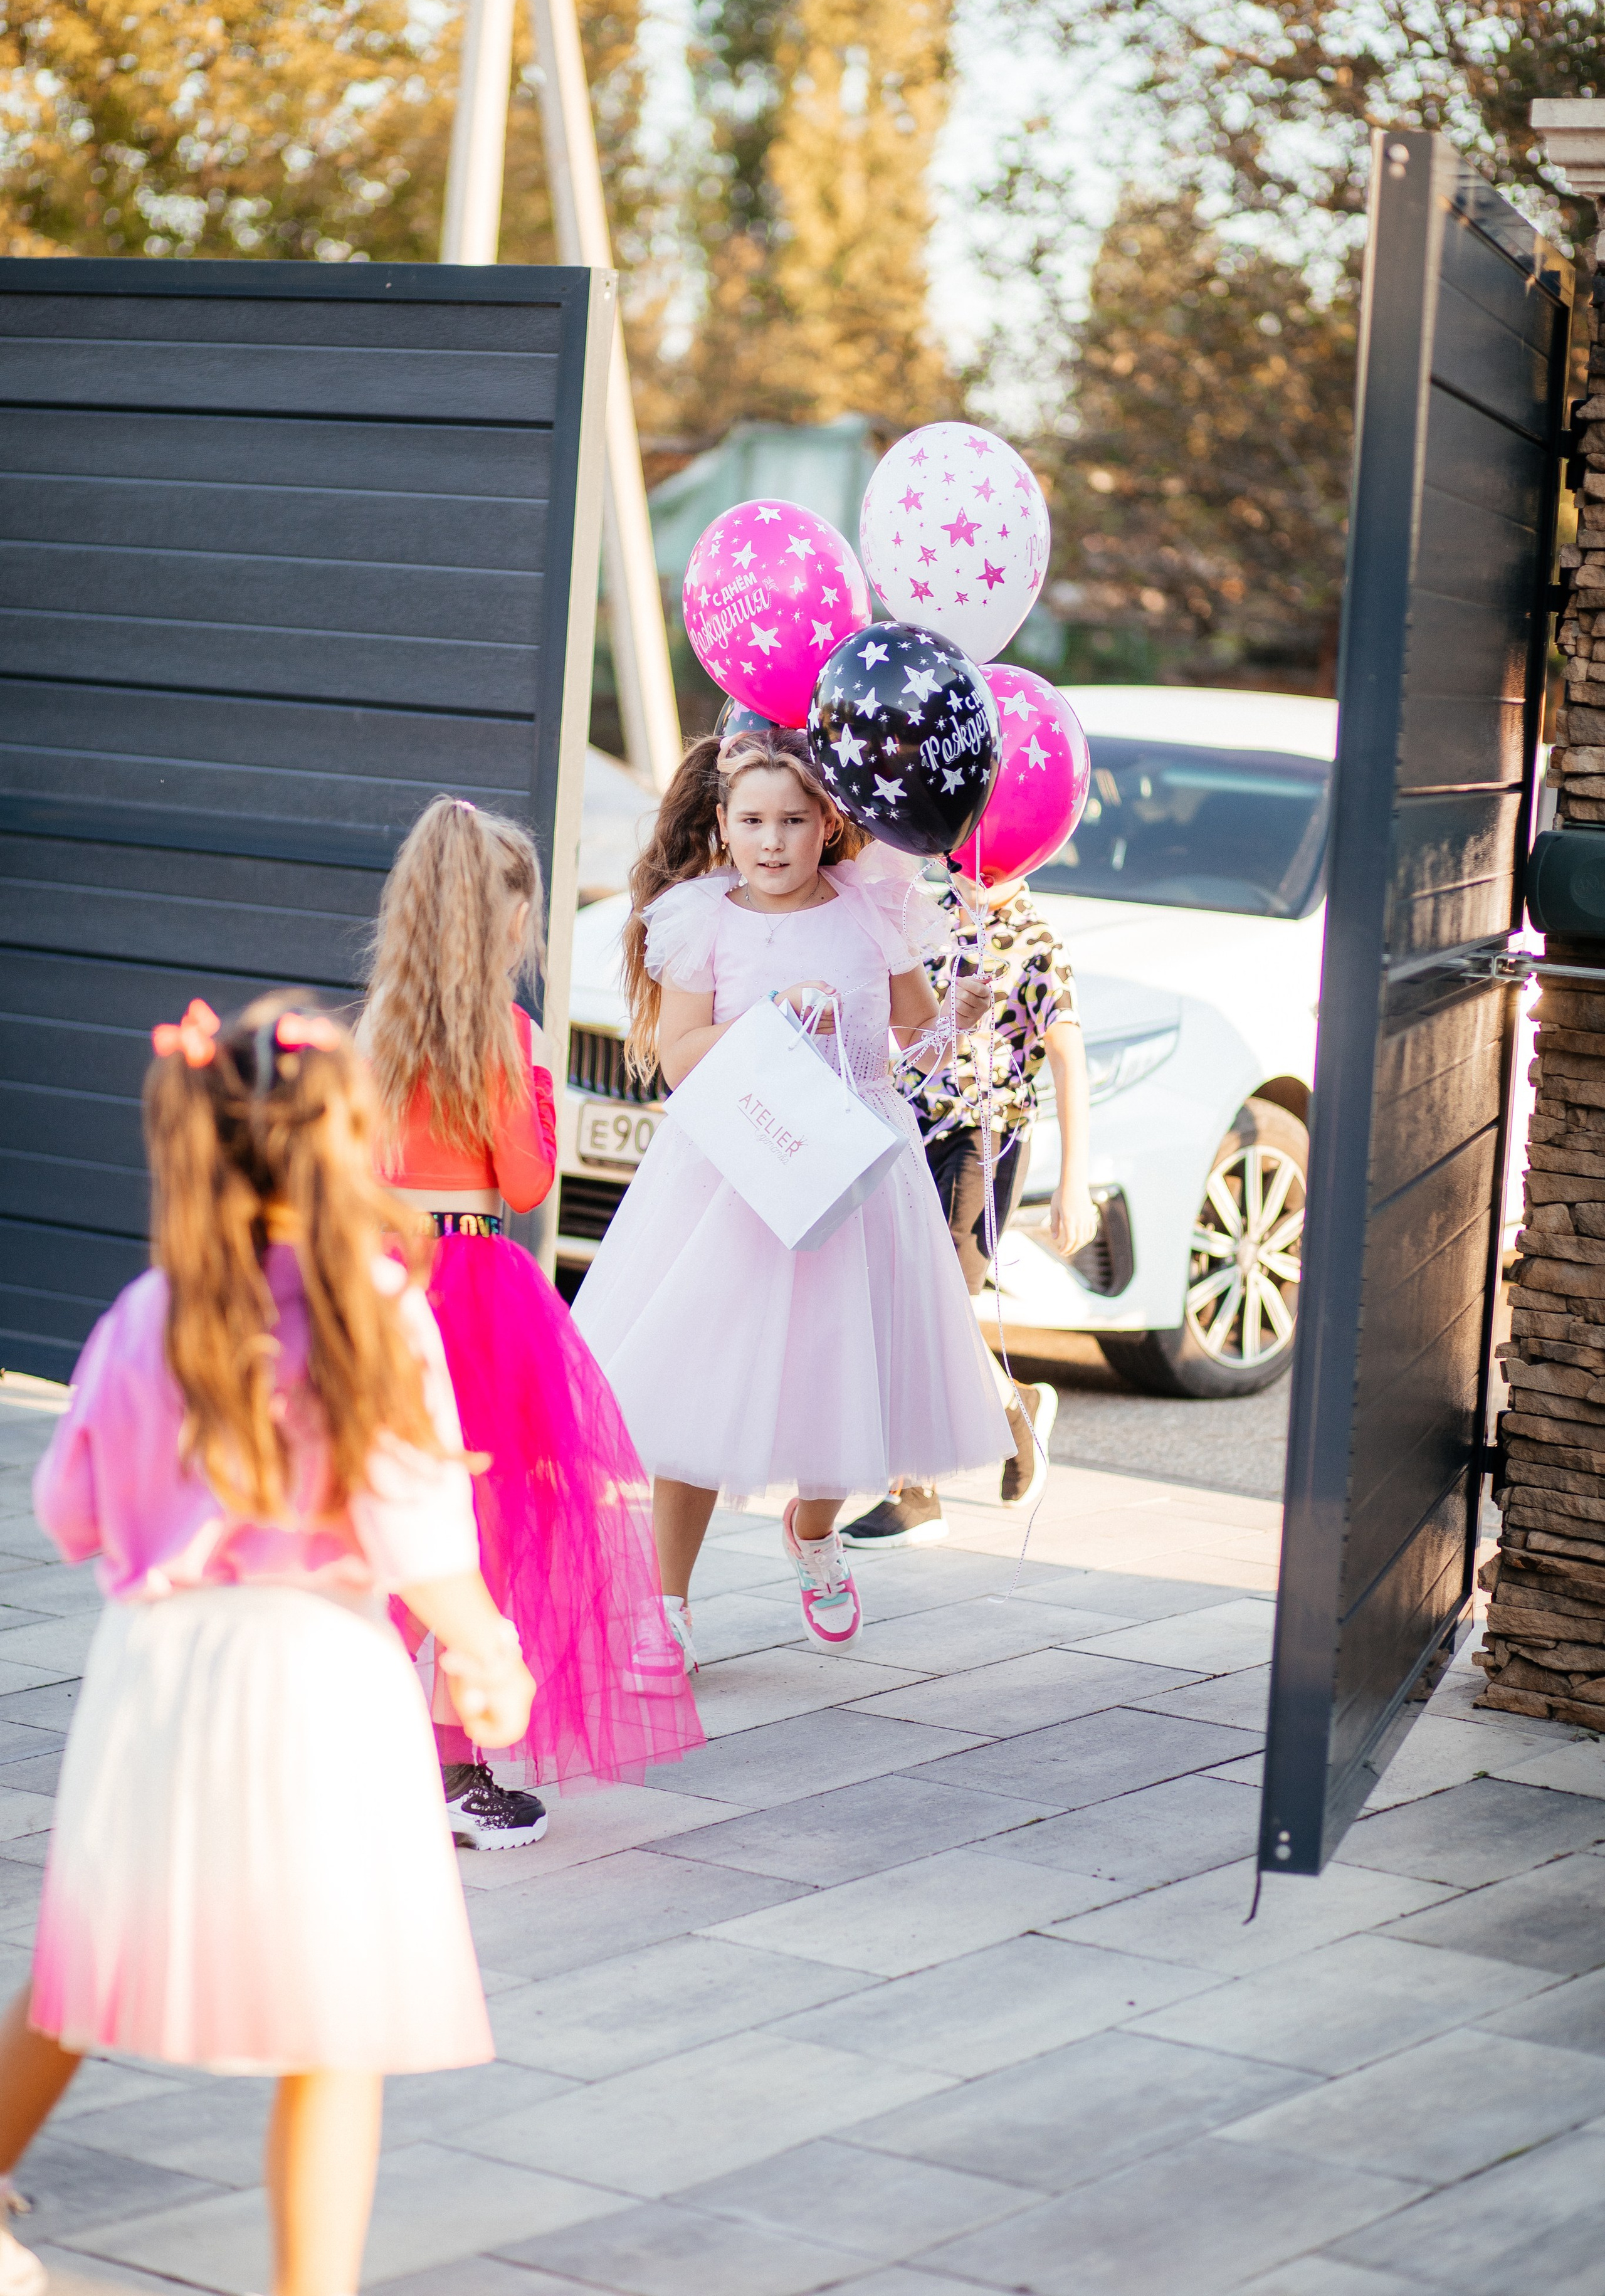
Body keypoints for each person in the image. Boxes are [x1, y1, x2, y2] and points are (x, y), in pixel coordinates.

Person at [0, 992, 533, 2296]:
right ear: (352, 1147)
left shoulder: (149, 1313)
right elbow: (421, 1537)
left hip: (162, 1670)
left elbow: (67, 1509)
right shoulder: (378, 1315)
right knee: (337, 2011)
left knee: (91, 1952)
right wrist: (488, 1657)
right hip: (324, 1678)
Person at [570, 725, 1013, 1671]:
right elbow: (683, 1053)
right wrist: (768, 1021)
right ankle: (667, 1604)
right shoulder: (703, 921)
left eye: (793, 821)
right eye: (752, 821)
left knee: (853, 1380)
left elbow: (914, 1047)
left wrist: (958, 1020)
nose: (772, 841)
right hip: (737, 1168)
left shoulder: (870, 912)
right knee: (696, 1390)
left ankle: (815, 1533)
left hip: (858, 1168)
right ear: (723, 826)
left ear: (830, 827)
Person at [362, 796, 702, 1843]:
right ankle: (453, 1768)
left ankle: (351, 1745)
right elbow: (522, 1179)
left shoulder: (374, 1029)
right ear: (503, 918)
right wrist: (540, 1094)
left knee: (375, 1514)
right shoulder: (504, 1037)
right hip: (469, 1286)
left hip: (377, 1279)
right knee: (486, 1528)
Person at [843, 865, 1099, 1548]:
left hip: (987, 1135)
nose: (976, 873)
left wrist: (1075, 1183)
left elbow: (1070, 1060)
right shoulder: (924, 920)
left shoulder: (1036, 939)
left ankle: (915, 1492)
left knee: (937, 1303)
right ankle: (1017, 1408)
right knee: (906, 1300)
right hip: (909, 1128)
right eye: (965, 858)